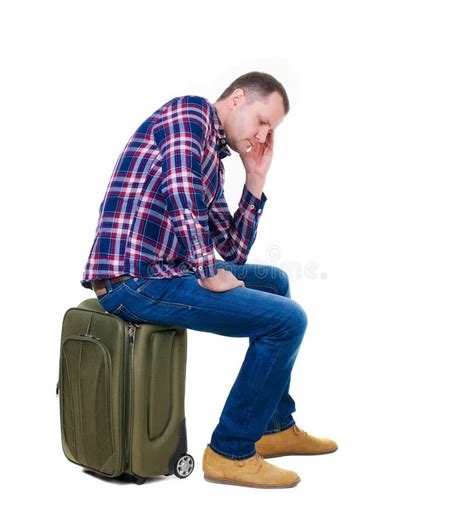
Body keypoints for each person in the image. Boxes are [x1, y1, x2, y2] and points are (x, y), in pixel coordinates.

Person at [81, 71, 338, 489]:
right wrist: (206, 271)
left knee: (274, 282)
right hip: (131, 280)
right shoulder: (189, 115)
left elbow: (233, 251)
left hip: (165, 272)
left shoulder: (212, 163)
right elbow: (182, 193)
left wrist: (255, 179)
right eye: (262, 121)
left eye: (271, 129)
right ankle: (229, 451)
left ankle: (273, 426)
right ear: (236, 99)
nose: (263, 135)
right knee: (288, 320)